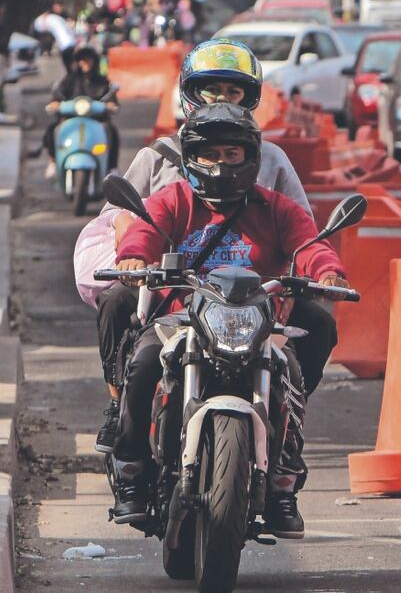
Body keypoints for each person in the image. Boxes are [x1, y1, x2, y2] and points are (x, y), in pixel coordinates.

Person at [108, 102, 351, 537]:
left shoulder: (275, 207)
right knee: (144, 363)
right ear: (190, 159)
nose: (221, 166)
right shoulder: (174, 199)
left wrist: (325, 271)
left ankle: (283, 480)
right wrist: (132, 260)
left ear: (250, 157)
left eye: (232, 155)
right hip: (181, 321)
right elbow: (143, 233)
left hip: (258, 324)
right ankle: (131, 470)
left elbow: (309, 244)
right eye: (210, 155)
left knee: (291, 371)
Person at [80, 39, 325, 459]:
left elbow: (304, 233)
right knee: (118, 304)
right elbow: (119, 217)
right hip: (173, 294)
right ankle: (122, 408)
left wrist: (313, 275)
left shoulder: (274, 161)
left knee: (320, 324)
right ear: (191, 94)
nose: (222, 164)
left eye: (234, 92)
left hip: (254, 299)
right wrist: (134, 249)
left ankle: (286, 423)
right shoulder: (158, 158)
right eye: (212, 89)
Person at [42, 45, 120, 179]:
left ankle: (112, 167)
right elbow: (56, 97)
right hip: (70, 119)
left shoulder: (102, 81)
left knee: (111, 131)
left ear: (94, 61)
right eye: (83, 60)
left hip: (96, 120)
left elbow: (112, 101)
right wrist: (55, 104)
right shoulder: (69, 80)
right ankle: (52, 162)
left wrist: (110, 106)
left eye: (89, 60)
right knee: (53, 130)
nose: (86, 64)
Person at [32, 1, 78, 72]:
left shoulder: (63, 15)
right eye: (55, 7)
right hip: (58, 36)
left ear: (61, 7)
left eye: (57, 7)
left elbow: (69, 22)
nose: (56, 8)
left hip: (66, 41)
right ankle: (46, 50)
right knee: (47, 38)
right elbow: (45, 16)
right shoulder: (51, 15)